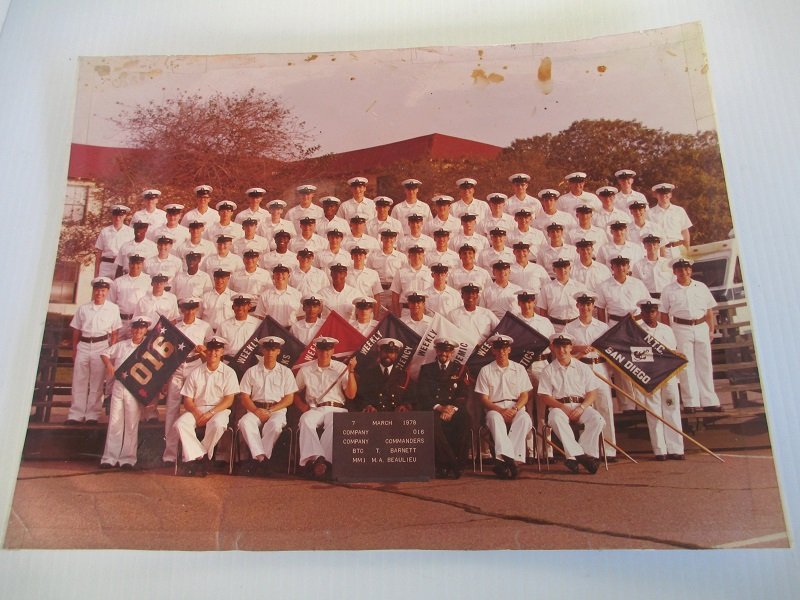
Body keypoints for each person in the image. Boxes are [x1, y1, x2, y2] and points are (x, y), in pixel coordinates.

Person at [537, 333, 605, 474]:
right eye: (558, 347)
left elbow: (592, 393)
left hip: (581, 406)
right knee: (555, 418)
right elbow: (545, 396)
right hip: (559, 407)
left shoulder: (583, 368)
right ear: (553, 349)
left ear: (571, 347)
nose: (561, 350)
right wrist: (563, 407)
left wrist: (581, 408)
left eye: (565, 346)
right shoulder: (548, 370)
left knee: (598, 420)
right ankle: (585, 457)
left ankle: (576, 456)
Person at [659, 257, 721, 412]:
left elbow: (709, 310)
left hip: (701, 326)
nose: (683, 272)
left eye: (686, 269)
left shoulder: (701, 287)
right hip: (680, 327)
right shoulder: (668, 290)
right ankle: (690, 402)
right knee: (686, 366)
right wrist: (669, 334)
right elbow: (664, 313)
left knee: (705, 364)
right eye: (679, 269)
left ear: (690, 270)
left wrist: (711, 330)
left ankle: (709, 400)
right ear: (674, 272)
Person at [174, 335, 240, 476]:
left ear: (222, 352)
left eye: (217, 350)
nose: (213, 353)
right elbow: (187, 400)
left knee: (217, 424)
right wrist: (197, 413)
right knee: (180, 424)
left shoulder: (229, 373)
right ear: (206, 351)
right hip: (197, 409)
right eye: (210, 350)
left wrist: (210, 414)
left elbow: (229, 400)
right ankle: (202, 458)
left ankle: (196, 459)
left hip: (219, 410)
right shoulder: (195, 372)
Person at [294, 337, 358, 479]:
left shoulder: (341, 368)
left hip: (337, 408)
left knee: (336, 422)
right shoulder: (306, 370)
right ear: (316, 350)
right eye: (322, 349)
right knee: (305, 420)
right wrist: (302, 406)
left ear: (333, 350)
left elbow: (351, 394)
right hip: (314, 409)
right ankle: (320, 460)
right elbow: (294, 392)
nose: (325, 352)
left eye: (328, 349)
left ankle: (320, 462)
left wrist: (351, 371)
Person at [564, 293, 617, 461]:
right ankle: (590, 451)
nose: (585, 308)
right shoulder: (570, 328)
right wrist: (579, 348)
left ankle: (609, 450)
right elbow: (565, 351)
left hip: (600, 367)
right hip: (582, 368)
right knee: (587, 411)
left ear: (593, 307)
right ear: (577, 306)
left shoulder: (602, 327)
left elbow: (611, 350)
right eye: (582, 304)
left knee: (605, 408)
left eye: (589, 305)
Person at [237, 336, 299, 475]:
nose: (270, 353)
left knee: (275, 426)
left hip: (276, 410)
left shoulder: (286, 372)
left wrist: (270, 411)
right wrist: (255, 410)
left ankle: (257, 460)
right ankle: (263, 460)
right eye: (267, 349)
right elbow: (244, 397)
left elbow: (289, 398)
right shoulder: (251, 371)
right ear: (262, 350)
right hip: (255, 409)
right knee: (244, 423)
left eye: (274, 349)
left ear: (278, 351)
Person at [162, 296, 212, 464]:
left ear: (197, 309)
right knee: (172, 409)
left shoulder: (205, 327)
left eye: (193, 308)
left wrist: (203, 350)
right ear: (182, 309)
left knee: (194, 409)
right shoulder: (175, 328)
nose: (190, 311)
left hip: (195, 367)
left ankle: (190, 452)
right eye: (187, 308)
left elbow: (210, 353)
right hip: (177, 367)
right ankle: (169, 454)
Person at [475, 334, 533, 479]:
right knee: (495, 419)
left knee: (525, 418)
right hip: (495, 408)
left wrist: (515, 409)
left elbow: (525, 395)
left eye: (504, 349)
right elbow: (483, 398)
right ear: (493, 351)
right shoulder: (485, 370)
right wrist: (500, 410)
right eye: (498, 349)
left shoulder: (519, 369)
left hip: (516, 406)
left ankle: (504, 461)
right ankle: (512, 462)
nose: (501, 352)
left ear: (509, 350)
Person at [65, 277, 122, 425]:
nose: (99, 293)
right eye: (97, 290)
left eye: (103, 290)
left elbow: (115, 333)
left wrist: (110, 353)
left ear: (107, 291)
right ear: (93, 290)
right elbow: (76, 330)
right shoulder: (83, 308)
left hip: (101, 346)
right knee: (79, 381)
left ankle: (92, 414)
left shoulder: (113, 309)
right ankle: (75, 414)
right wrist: (74, 349)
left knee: (97, 383)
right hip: (83, 345)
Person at [99, 315, 151, 469]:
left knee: (131, 424)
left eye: (142, 328)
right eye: (135, 327)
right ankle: (109, 457)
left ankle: (127, 459)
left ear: (146, 330)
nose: (138, 331)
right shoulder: (123, 345)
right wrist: (109, 365)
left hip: (134, 389)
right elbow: (104, 354)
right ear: (131, 329)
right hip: (119, 386)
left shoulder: (148, 348)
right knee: (115, 421)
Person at [636, 298, 685, 460]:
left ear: (656, 312)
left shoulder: (666, 330)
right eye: (645, 312)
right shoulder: (637, 331)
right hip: (649, 376)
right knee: (654, 412)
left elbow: (673, 352)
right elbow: (638, 356)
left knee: (671, 409)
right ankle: (660, 450)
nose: (649, 315)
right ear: (641, 313)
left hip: (668, 374)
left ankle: (676, 448)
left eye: (652, 311)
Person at [417, 338, 472, 479]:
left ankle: (460, 462)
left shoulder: (460, 369)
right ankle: (448, 464)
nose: (444, 354)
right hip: (434, 407)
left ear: (452, 353)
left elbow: (463, 394)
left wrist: (451, 408)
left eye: (447, 351)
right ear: (436, 350)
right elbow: (423, 394)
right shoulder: (426, 369)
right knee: (432, 423)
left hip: (453, 408)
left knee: (466, 419)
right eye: (441, 350)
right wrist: (440, 408)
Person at [356, 338, 414, 412]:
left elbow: (411, 398)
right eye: (386, 351)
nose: (388, 355)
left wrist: (405, 406)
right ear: (380, 352)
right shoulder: (367, 374)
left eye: (392, 352)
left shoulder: (405, 376)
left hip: (397, 418)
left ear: (396, 355)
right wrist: (368, 406)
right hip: (374, 418)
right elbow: (360, 397)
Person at [537, 258, 588, 332]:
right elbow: (543, 311)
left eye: (565, 267)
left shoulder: (580, 287)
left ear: (570, 268)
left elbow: (585, 309)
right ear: (554, 270)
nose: (562, 270)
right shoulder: (547, 288)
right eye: (559, 268)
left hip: (576, 326)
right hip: (555, 326)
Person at [109, 254, 150, 338]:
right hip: (120, 321)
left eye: (138, 263)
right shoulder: (118, 281)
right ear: (129, 264)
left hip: (138, 323)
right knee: (116, 348)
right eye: (132, 263)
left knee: (135, 349)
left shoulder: (149, 281)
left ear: (142, 265)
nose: (135, 266)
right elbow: (110, 304)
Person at [649, 183, 692, 258]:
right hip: (661, 251)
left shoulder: (679, 210)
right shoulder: (650, 213)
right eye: (661, 194)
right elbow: (650, 234)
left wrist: (687, 248)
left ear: (670, 195)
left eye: (666, 193)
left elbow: (685, 231)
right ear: (656, 195)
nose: (664, 196)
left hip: (679, 249)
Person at [390, 245, 432, 316]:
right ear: (409, 256)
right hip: (406, 311)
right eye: (414, 254)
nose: (417, 257)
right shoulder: (401, 272)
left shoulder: (430, 273)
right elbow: (395, 295)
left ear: (423, 256)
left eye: (419, 254)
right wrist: (397, 314)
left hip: (425, 311)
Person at [94, 204, 133, 278]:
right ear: (112, 216)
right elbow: (98, 254)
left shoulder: (130, 232)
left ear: (125, 216)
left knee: (118, 288)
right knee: (103, 288)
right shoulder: (105, 231)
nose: (117, 218)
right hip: (106, 266)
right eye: (115, 216)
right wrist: (96, 274)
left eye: (120, 216)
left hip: (121, 266)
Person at [218, 293, 260, 359]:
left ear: (249, 306)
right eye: (237, 305)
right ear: (233, 307)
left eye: (243, 305)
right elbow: (218, 347)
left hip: (249, 363)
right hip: (228, 362)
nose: (240, 308)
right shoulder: (224, 325)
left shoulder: (257, 324)